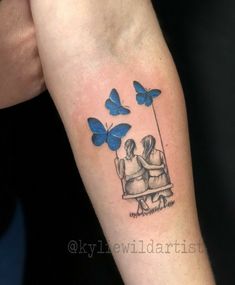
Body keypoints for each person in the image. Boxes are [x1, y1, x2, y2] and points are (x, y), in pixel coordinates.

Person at [115, 139, 164, 214]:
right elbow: (148, 166)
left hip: (135, 186)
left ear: (126, 147)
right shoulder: (131, 159)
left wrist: (116, 165)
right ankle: (141, 201)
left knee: (136, 185)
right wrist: (160, 166)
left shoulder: (130, 159)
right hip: (137, 185)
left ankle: (140, 201)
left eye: (128, 147)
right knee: (139, 184)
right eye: (129, 147)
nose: (129, 148)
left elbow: (121, 176)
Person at [141, 135, 173, 207]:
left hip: (152, 181)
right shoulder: (160, 153)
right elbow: (165, 167)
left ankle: (161, 199)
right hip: (163, 178)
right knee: (161, 184)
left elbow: (144, 169)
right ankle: (162, 199)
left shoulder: (144, 155)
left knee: (153, 184)